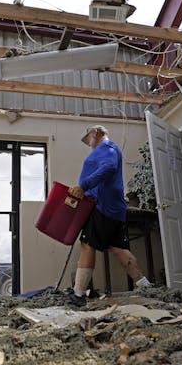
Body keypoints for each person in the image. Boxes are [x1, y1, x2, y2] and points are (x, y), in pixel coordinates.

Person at [66, 125, 152, 306]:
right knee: (118, 248)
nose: (88, 143)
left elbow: (109, 168)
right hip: (111, 208)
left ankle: (79, 295)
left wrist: (84, 186)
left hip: (103, 207)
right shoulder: (106, 150)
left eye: (88, 138)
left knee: (87, 244)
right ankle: (146, 287)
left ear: (95, 133)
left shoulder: (108, 148)